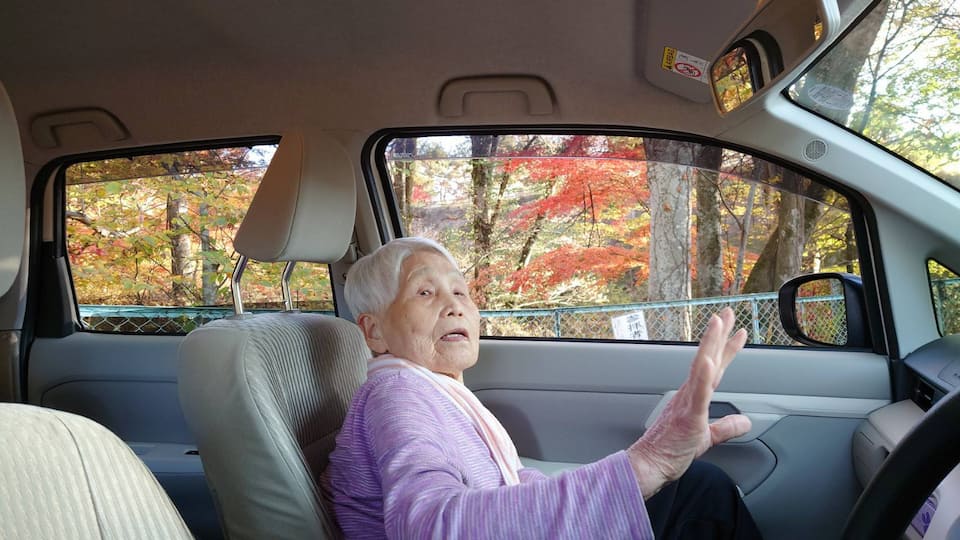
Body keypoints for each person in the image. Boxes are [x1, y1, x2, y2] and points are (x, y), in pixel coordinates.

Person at [327, 237, 763, 539]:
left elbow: (507, 486)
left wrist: (632, 478)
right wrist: (646, 465)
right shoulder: (398, 393)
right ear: (375, 332)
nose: (455, 305)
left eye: (461, 290)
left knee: (694, 487)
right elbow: (426, 526)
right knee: (700, 492)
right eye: (425, 292)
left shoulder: (438, 391)